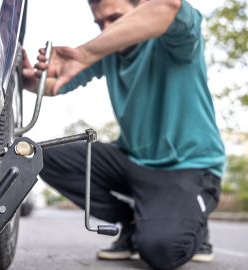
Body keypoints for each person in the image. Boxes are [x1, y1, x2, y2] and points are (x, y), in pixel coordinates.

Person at [22, 0, 225, 269]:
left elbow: (168, 6)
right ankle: (132, 222)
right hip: (132, 161)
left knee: (163, 250)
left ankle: (192, 222)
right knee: (39, 156)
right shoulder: (110, 54)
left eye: (115, 18)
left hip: (189, 168)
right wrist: (27, 80)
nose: (106, 30)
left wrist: (84, 53)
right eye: (100, 23)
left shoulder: (177, 41)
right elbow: (53, 84)